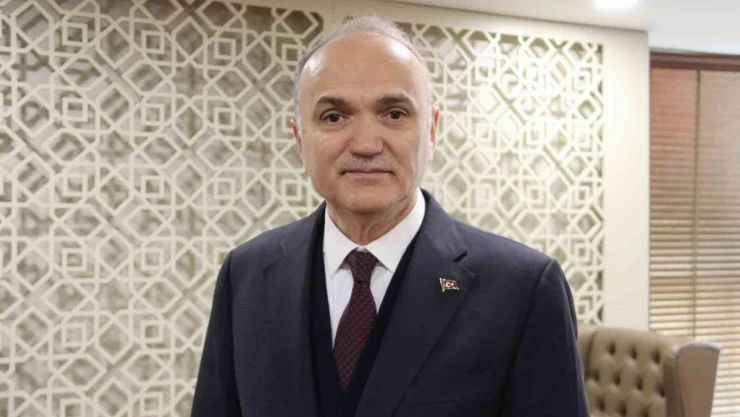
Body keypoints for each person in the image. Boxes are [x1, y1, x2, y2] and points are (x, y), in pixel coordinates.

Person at [191, 15, 589, 417]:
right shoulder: (246, 274)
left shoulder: (523, 289)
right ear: (299, 139)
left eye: (394, 114)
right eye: (334, 117)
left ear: (431, 131)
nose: (365, 144)